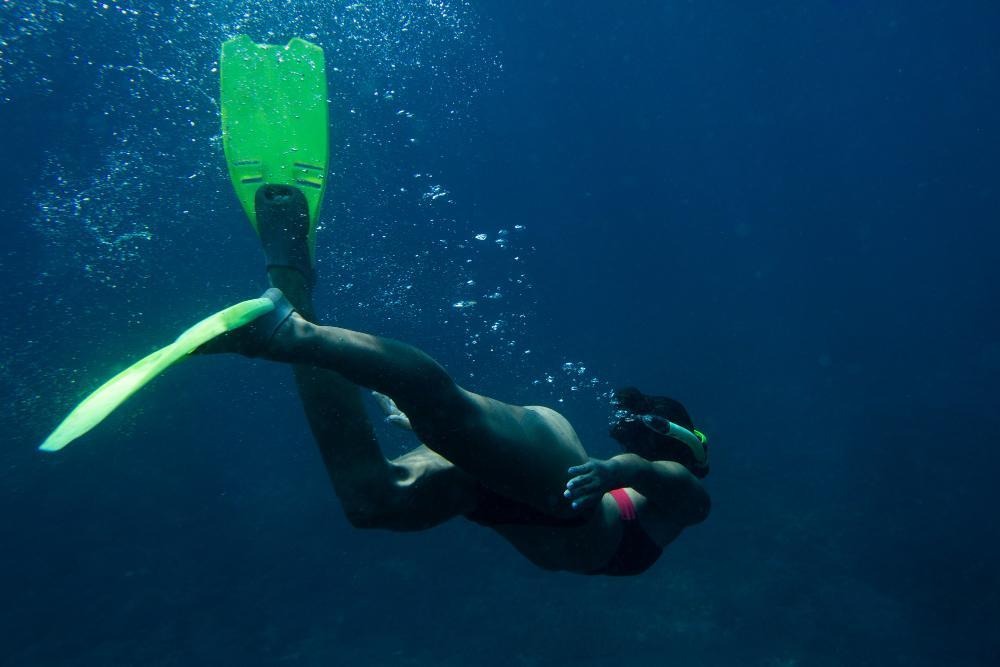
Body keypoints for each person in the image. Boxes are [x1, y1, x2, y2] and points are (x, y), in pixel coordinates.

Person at [202, 184, 711, 577]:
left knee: (373, 500)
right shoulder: (639, 483)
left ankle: (290, 282)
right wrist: (608, 470)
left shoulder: (687, 504)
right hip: (561, 484)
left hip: (495, 502)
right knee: (448, 415)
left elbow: (669, 480)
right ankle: (286, 333)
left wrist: (614, 469)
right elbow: (649, 473)